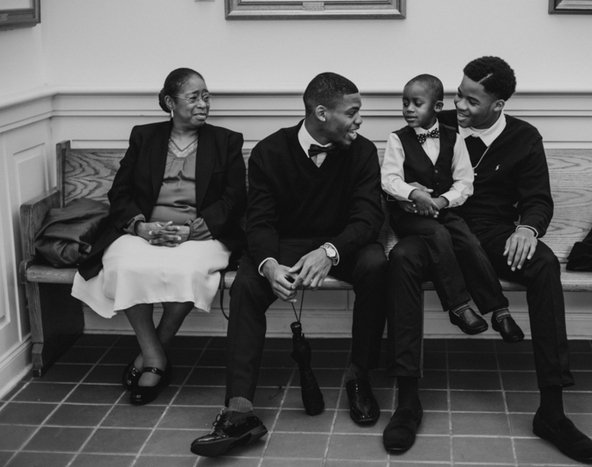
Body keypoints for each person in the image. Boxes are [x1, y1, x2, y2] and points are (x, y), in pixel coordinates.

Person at [384, 57, 592, 464]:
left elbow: (538, 198)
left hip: (493, 233)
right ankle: (408, 401)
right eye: (458, 95)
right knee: (401, 261)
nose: (459, 106)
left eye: (471, 100)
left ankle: (552, 413)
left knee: (544, 264)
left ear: (498, 105)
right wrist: (412, 194)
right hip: (434, 228)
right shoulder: (433, 122)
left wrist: (527, 230)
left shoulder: (523, 137)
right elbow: (396, 174)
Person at [190, 72, 388, 458]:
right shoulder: (268, 152)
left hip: (340, 246)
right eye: (353, 112)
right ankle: (239, 411)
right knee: (246, 284)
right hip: (282, 245)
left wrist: (330, 252)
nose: (360, 120)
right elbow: (259, 221)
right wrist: (268, 265)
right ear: (320, 112)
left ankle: (359, 375)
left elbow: (368, 219)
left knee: (376, 264)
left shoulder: (362, 152)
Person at [72, 68, 247, 406]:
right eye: (194, 97)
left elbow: (235, 198)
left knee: (188, 271)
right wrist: (140, 227)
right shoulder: (144, 137)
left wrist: (192, 229)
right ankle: (155, 355)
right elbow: (120, 193)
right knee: (123, 264)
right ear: (170, 101)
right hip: (146, 231)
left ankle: (153, 356)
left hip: (200, 235)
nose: (204, 103)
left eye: (207, 96)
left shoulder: (225, 141)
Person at [381, 73, 523, 341]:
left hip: (444, 209)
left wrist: (442, 201)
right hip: (408, 215)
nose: (408, 109)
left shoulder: (454, 138)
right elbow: (389, 179)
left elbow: (465, 182)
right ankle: (459, 306)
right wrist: (413, 194)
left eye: (416, 103)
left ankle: (498, 309)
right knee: (438, 234)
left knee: (467, 239)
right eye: (404, 103)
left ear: (436, 107)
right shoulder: (397, 139)